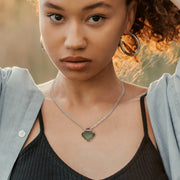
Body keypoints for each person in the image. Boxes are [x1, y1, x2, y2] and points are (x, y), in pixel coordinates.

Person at [0, 0, 180, 179]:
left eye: (96, 18)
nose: (74, 42)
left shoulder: (168, 110)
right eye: (56, 17)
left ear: (128, 17)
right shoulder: (6, 102)